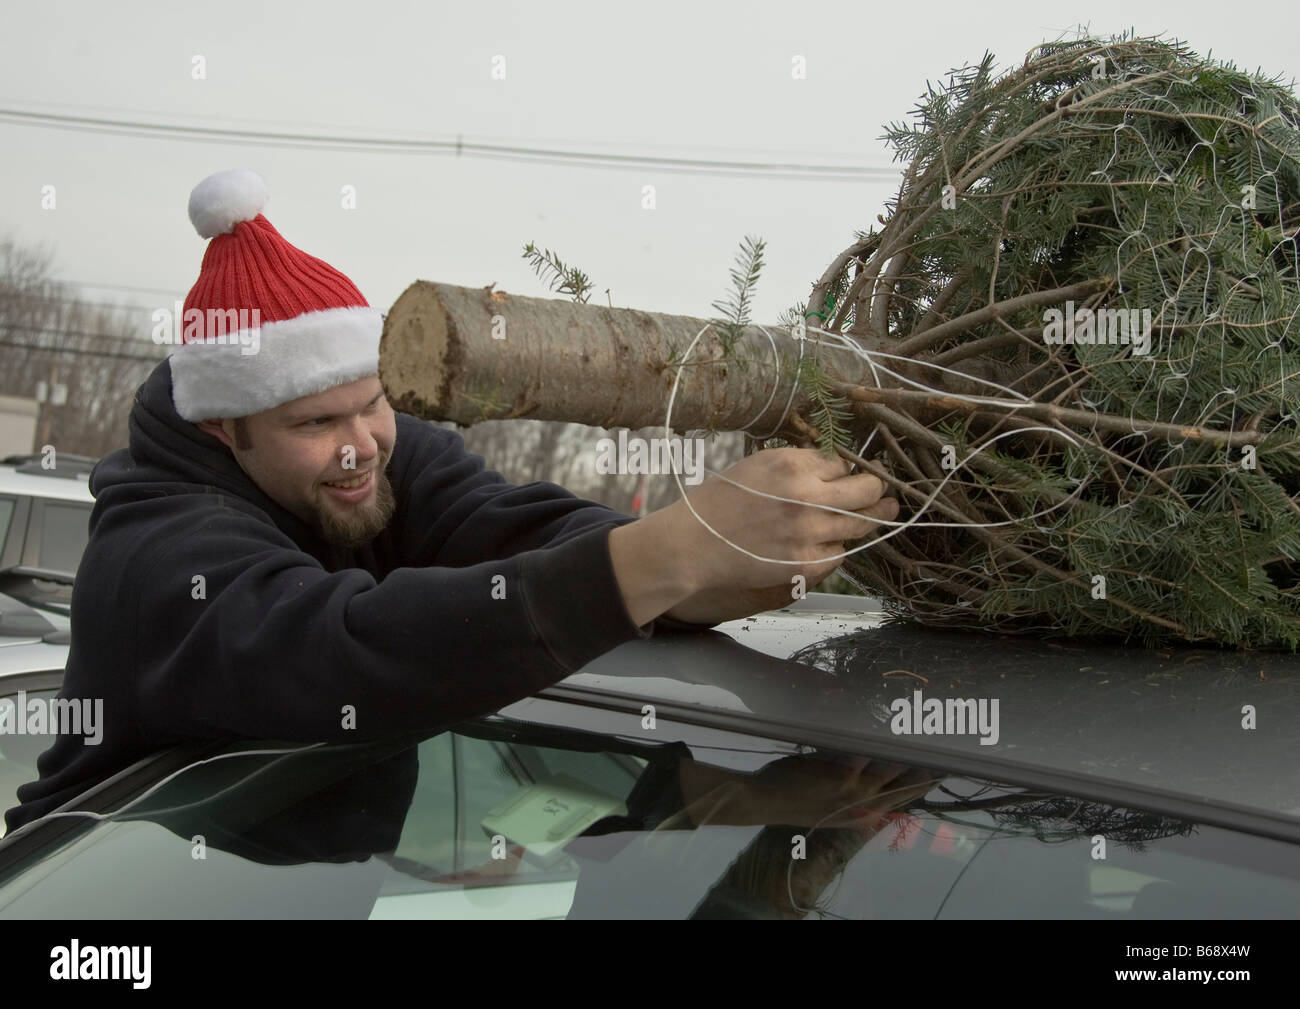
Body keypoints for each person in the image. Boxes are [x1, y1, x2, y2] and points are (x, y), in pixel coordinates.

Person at [3, 169, 897, 835]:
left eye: (371, 402)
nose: (359, 442)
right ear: (222, 430)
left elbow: (506, 531)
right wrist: (670, 555)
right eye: (315, 421)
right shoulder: (157, 555)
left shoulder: (373, 457)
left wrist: (692, 591)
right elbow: (340, 649)